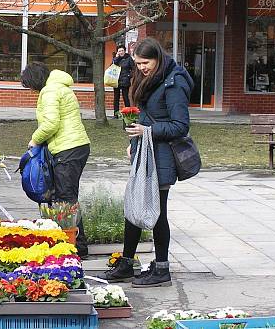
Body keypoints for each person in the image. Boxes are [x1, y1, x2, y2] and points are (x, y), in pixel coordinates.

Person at [100, 37, 193, 287]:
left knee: (157, 211)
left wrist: (146, 132)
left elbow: (180, 126)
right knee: (134, 206)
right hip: (146, 151)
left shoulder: (174, 82)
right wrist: (134, 144)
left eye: (146, 62)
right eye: (138, 63)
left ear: (158, 58)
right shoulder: (152, 79)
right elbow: (144, 116)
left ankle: (162, 269)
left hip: (162, 156)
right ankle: (127, 263)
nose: (141, 67)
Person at [21, 62, 91, 257]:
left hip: (67, 148)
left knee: (65, 199)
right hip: (74, 147)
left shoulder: (50, 91)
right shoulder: (59, 87)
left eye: (31, 86)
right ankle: (71, 242)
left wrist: (34, 140)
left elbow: (51, 123)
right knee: (67, 197)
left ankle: (76, 247)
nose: (32, 91)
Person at [113, 45, 135, 118]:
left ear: (124, 51)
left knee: (125, 97)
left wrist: (129, 76)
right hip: (116, 80)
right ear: (117, 52)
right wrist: (116, 57)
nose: (121, 52)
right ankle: (116, 114)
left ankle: (128, 114)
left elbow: (134, 69)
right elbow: (112, 65)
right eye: (119, 51)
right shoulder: (116, 59)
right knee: (116, 98)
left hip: (125, 81)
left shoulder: (129, 58)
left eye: (122, 50)